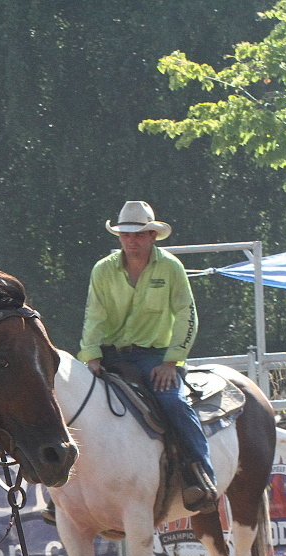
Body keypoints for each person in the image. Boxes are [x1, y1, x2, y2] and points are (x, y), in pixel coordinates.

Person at [79, 200, 217, 512]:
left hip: (155, 357)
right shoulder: (103, 270)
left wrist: (172, 361)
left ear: (152, 236)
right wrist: (91, 354)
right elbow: (94, 315)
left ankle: (201, 474)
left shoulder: (170, 268)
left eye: (139, 235)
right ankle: (69, 489)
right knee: (77, 403)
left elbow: (186, 315)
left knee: (173, 402)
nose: (131, 241)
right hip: (111, 355)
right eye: (126, 235)